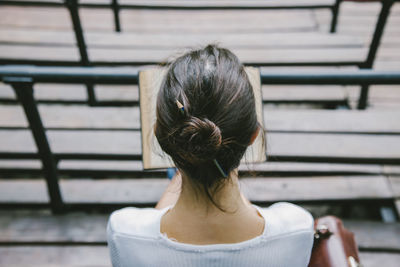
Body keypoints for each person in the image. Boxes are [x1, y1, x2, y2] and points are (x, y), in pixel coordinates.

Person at [107, 45, 314, 267]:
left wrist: (188, 164)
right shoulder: (297, 228)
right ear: (254, 135)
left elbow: (151, 233)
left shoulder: (125, 233)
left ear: (160, 136)